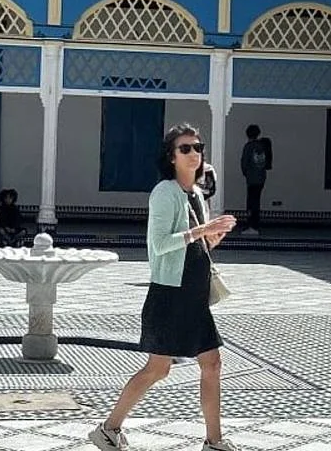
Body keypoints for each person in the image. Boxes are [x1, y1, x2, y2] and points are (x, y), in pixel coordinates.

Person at [89, 123, 238, 451]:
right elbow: (159, 244)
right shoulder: (164, 192)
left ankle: (214, 441)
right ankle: (109, 429)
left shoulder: (196, 194)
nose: (194, 153)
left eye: (198, 147)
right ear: (171, 157)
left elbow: (196, 246)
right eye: (185, 148)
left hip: (194, 296)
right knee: (158, 369)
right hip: (170, 295)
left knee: (212, 364)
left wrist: (213, 236)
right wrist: (202, 231)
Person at [238, 124, 270, 236]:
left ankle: (252, 226)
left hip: (252, 178)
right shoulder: (262, 145)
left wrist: (246, 173)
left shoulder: (249, 146)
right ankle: (255, 225)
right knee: (256, 201)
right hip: (261, 177)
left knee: (251, 202)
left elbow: (244, 163)